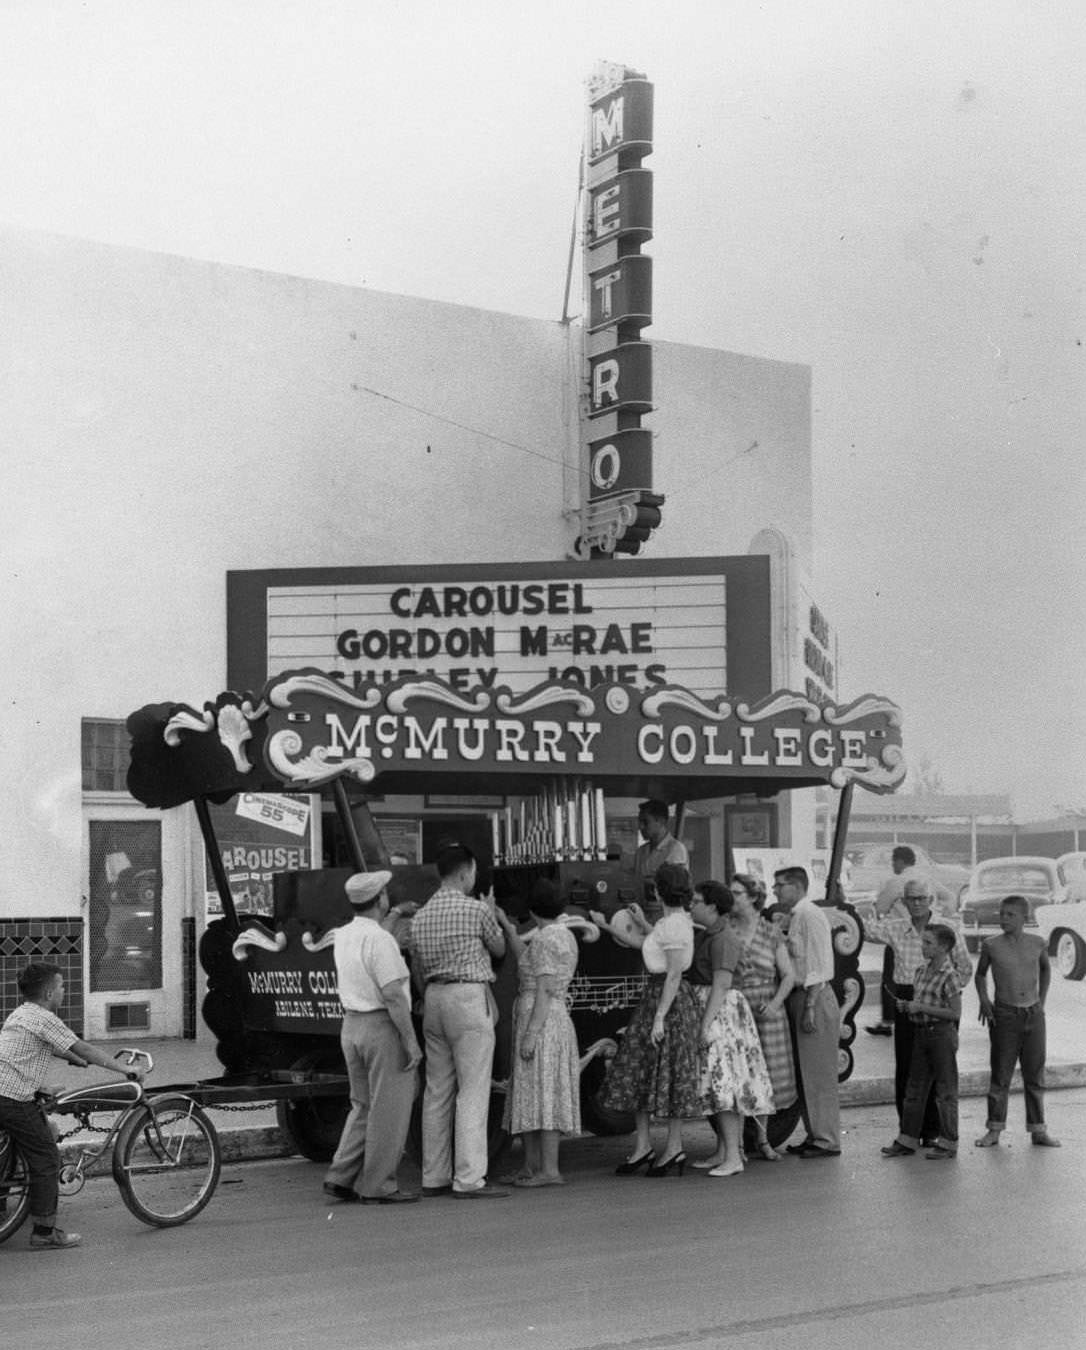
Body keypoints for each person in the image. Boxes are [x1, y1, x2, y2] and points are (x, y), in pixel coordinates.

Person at [0, 962, 146, 1249]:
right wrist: (124, 1070)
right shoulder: (46, 1018)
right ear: (50, 992)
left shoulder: (21, 1014)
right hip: (11, 1096)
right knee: (45, 1158)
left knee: (18, 1142)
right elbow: (84, 1047)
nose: (64, 991)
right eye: (62, 986)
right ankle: (44, 1233)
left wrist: (71, 1059)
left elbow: (38, 1046)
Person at [411, 841, 509, 1198]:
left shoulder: (420, 916)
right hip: (468, 998)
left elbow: (417, 967)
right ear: (467, 872)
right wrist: (493, 914)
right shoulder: (476, 910)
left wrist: (427, 995)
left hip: (433, 999)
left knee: (437, 1091)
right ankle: (468, 1178)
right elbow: (498, 950)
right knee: (472, 1090)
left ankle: (433, 1176)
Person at [591, 863, 701, 1176]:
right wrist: (621, 926)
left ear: (657, 890)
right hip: (661, 998)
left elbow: (674, 972)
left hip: (665, 1000)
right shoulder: (675, 922)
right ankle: (651, 1147)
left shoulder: (674, 925)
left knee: (660, 1070)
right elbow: (653, 945)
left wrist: (660, 1018)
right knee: (648, 1070)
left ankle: (670, 1147)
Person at [322, 871, 422, 1205]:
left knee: (362, 1105)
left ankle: (341, 1175)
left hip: (351, 1026)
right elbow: (393, 994)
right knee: (389, 1110)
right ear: (380, 899)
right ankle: (378, 1184)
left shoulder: (345, 934)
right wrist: (410, 1041)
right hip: (381, 1027)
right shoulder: (380, 940)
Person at [865, 877, 972, 1145]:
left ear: (931, 900)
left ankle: (934, 1132)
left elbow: (965, 966)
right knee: (907, 1068)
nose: (916, 904)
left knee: (938, 1068)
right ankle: (909, 1132)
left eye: (921, 898)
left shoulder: (947, 929)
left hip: (937, 1002)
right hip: (906, 999)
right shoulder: (896, 928)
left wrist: (945, 990)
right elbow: (865, 930)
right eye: (911, 898)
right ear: (903, 901)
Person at [496, 879, 581, 1187]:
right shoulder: (561, 935)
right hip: (551, 1017)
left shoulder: (546, 939)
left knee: (542, 1091)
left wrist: (531, 1032)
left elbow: (544, 988)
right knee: (535, 1091)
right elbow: (526, 960)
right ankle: (532, 1166)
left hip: (541, 1019)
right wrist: (507, 925)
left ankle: (548, 1169)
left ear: (532, 909)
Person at [687, 880, 775, 1177]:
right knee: (718, 1085)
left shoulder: (723, 938)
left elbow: (722, 983)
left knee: (725, 1085)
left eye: (697, 900)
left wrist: (704, 1024)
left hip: (721, 1013)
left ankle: (734, 1156)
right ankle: (725, 1151)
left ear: (712, 906)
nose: (692, 905)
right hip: (718, 1010)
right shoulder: (712, 934)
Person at [974, 895, 1060, 1149]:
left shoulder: (1037, 943)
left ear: (1025, 917)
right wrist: (984, 1000)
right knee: (1001, 1075)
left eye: (1010, 915)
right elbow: (980, 975)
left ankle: (1038, 1130)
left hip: (1033, 1015)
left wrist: (1041, 1001)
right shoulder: (991, 945)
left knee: (1035, 1075)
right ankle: (994, 1130)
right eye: (1002, 914)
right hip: (1005, 1015)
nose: (1004, 919)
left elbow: (1045, 970)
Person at [772, 866, 842, 1158]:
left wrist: (811, 1006)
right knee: (805, 1073)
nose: (775, 890)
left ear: (797, 886)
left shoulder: (809, 915)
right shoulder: (797, 916)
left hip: (813, 996)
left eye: (780, 885)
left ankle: (827, 1139)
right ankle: (815, 1134)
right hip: (801, 997)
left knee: (818, 1074)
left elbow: (820, 965)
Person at [728, 872, 798, 1158]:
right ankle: (738, 1145)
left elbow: (789, 975)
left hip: (766, 1010)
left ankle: (763, 1139)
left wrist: (775, 1004)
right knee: (738, 1074)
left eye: (736, 894)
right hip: (736, 1007)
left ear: (753, 898)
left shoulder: (770, 932)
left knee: (766, 1075)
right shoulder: (727, 929)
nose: (731, 899)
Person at [880, 924, 962, 1160]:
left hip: (941, 1035)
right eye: (922, 941)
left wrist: (920, 1007)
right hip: (922, 1033)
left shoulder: (950, 975)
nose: (922, 946)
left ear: (944, 947)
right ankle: (907, 1139)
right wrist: (908, 1008)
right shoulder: (921, 971)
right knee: (914, 1088)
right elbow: (920, 1004)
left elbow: (955, 1013)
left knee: (946, 1091)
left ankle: (948, 1143)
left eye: (928, 943)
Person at [866, 846, 955, 1035]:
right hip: (933, 934)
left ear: (900, 861)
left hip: (902, 935)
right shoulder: (927, 879)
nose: (893, 866)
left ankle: (888, 1020)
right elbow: (950, 896)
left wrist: (891, 915)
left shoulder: (897, 881)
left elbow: (881, 907)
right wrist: (943, 916)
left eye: (893, 862)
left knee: (892, 980)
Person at [633, 800, 688, 918]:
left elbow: (674, 888)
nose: (640, 827)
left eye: (645, 822)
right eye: (639, 822)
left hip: (666, 917)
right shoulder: (640, 852)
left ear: (661, 821)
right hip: (641, 914)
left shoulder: (676, 850)